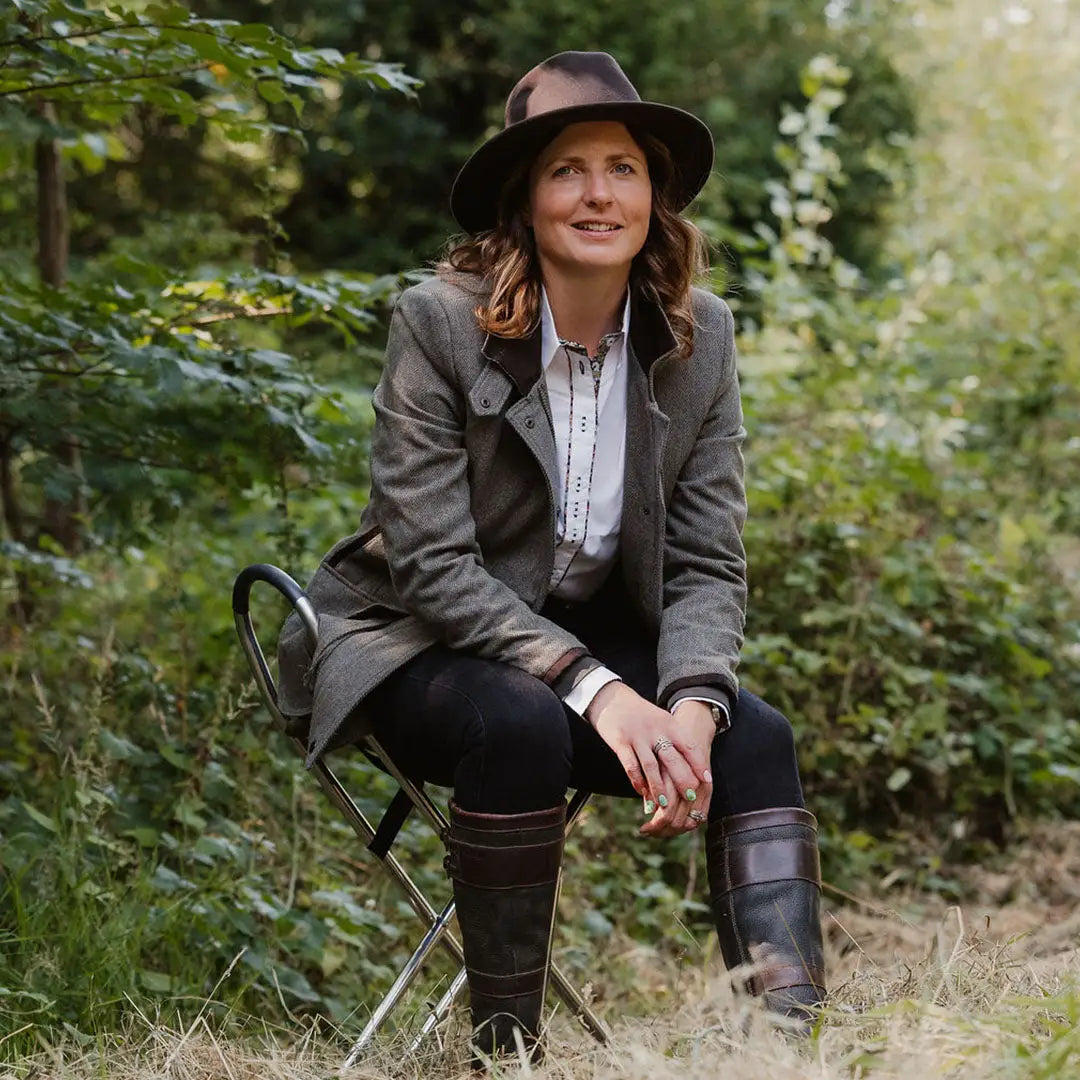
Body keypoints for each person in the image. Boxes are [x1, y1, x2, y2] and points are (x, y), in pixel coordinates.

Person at [277, 51, 825, 1060]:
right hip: (415, 637)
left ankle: (787, 1048)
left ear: (653, 196)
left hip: (578, 635)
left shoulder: (701, 341)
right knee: (523, 721)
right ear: (523, 200)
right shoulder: (438, 323)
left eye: (622, 166)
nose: (598, 193)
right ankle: (504, 1053)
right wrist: (604, 693)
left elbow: (707, 560)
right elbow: (434, 564)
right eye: (567, 169)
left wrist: (695, 706)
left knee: (755, 735)